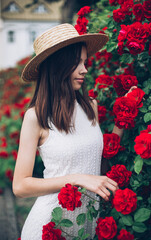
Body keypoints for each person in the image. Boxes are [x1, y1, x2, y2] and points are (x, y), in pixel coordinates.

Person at [13, 23, 127, 240]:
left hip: (86, 224)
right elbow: (20, 186)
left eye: (85, 62)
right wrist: (77, 178)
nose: (84, 69)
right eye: (77, 63)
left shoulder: (89, 106)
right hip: (51, 227)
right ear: (58, 65)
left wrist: (124, 116)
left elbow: (98, 165)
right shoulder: (36, 116)